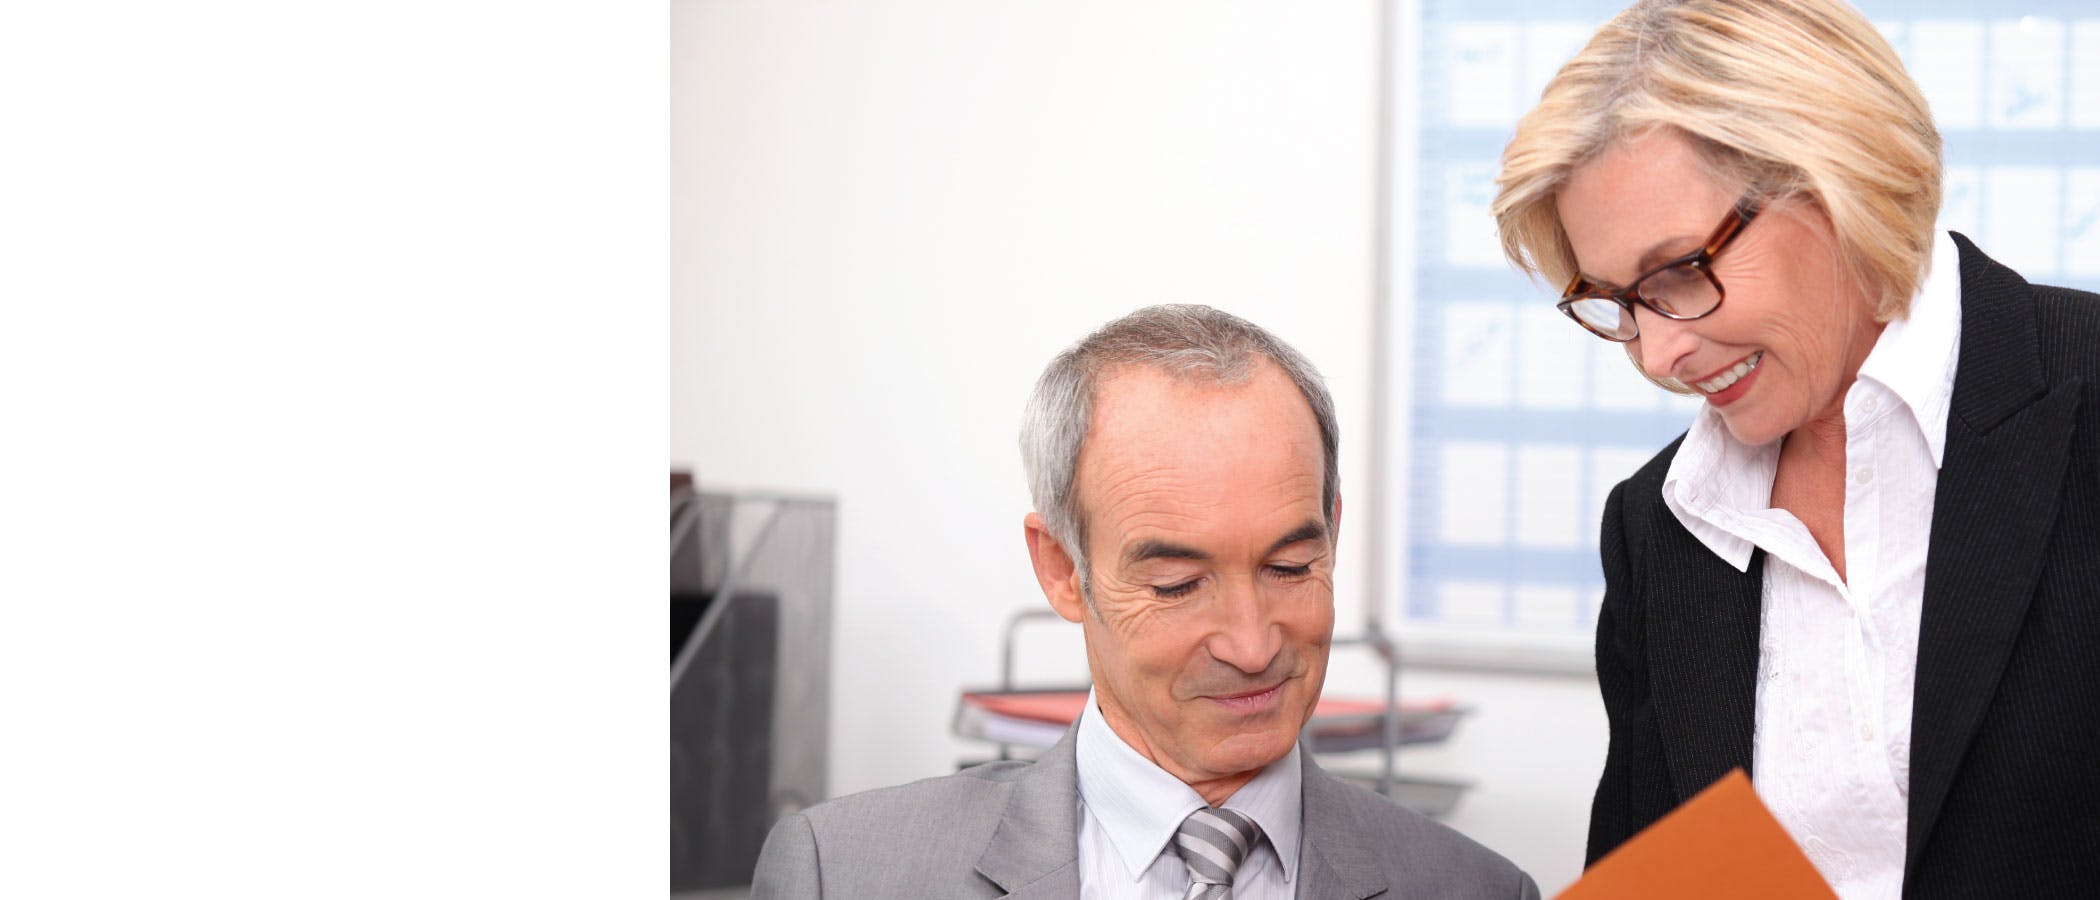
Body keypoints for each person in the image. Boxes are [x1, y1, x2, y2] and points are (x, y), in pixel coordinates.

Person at [1492, 0, 2100, 896]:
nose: (1657, 354)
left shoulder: (2081, 400)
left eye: (1678, 274)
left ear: (1833, 182)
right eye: (1618, 301)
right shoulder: (1660, 523)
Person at [751, 304, 1538, 898]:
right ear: (1062, 569)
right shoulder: (847, 872)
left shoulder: (1475, 891)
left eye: (1291, 566)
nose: (1251, 643)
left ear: (1333, 530)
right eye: (1178, 585)